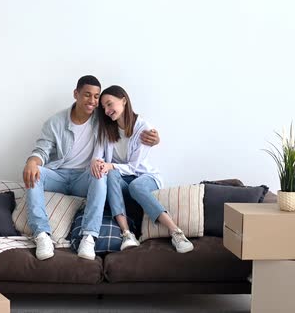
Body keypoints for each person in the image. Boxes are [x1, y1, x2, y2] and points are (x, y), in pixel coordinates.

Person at [23, 76, 160, 261]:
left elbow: (130, 123)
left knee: (101, 172)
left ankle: (89, 237)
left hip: (84, 178)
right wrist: (32, 161)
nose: (93, 101)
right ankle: (41, 235)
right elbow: (42, 150)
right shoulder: (55, 122)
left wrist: (154, 138)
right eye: (87, 95)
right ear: (76, 94)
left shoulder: (103, 118)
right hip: (59, 175)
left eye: (96, 97)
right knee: (34, 174)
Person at [91, 85, 194, 253]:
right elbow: (97, 156)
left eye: (110, 104)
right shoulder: (105, 130)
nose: (107, 110)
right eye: (103, 108)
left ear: (124, 100)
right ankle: (126, 234)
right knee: (110, 175)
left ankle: (176, 232)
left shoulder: (144, 128)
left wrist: (110, 165)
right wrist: (97, 162)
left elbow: (134, 167)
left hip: (145, 177)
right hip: (121, 180)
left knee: (135, 185)